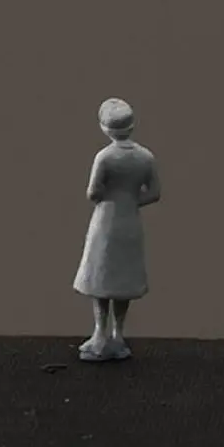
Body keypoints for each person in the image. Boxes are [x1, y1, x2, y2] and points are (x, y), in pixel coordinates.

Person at [73, 97, 160, 362]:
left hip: (106, 219)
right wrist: (132, 201)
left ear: (105, 128)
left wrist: (110, 196)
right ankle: (117, 334)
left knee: (102, 278)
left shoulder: (105, 157)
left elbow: (92, 193)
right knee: (122, 278)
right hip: (129, 220)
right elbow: (154, 193)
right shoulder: (145, 157)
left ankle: (100, 334)